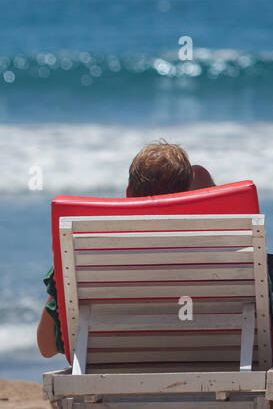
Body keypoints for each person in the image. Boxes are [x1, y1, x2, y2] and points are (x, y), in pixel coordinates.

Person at [36, 141, 214, 358]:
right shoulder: (219, 256)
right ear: (189, 194)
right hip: (209, 354)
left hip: (115, 360)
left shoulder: (85, 257)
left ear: (128, 193)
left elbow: (46, 345)